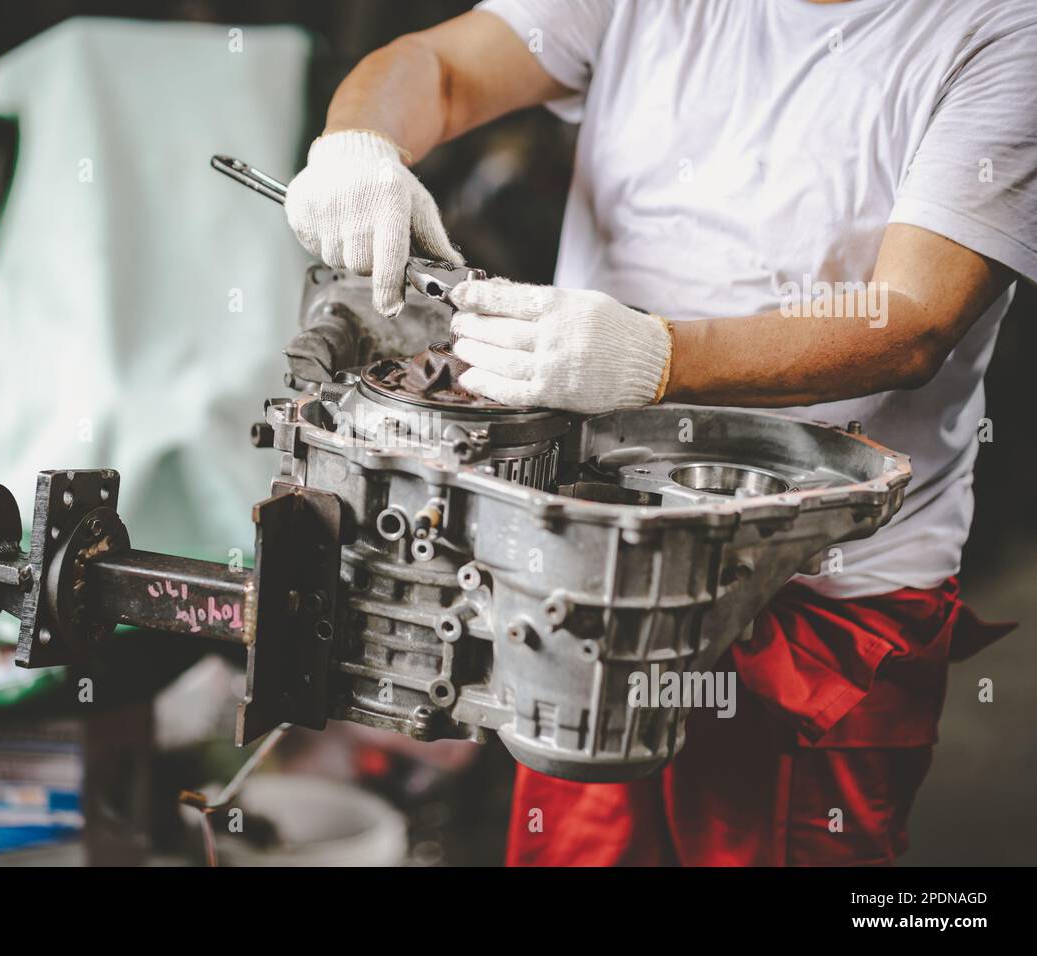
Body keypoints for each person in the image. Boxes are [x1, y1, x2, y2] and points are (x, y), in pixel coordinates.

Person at [283, 0, 1035, 865]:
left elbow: (912, 321)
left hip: (822, 591)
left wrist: (656, 355)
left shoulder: (999, 32)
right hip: (587, 573)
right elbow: (441, 70)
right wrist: (358, 145)